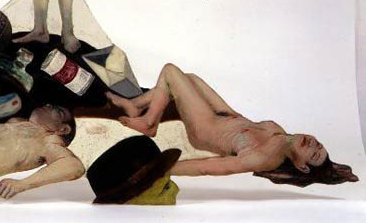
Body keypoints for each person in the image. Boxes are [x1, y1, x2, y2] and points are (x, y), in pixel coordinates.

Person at [106, 63, 358, 186]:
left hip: (206, 130)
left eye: (313, 154)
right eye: (318, 144)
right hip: (223, 116)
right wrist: (218, 107)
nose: (313, 144)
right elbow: (238, 119)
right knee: (189, 78)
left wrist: (159, 169)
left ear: (301, 166)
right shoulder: (281, 134)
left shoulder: (265, 158)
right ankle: (136, 104)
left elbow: (210, 168)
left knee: (171, 71)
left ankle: (149, 122)